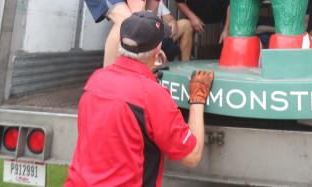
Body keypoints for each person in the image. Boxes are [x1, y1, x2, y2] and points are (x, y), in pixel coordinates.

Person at [65, 11, 215, 186]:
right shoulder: (152, 95)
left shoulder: (96, 80)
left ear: (121, 42)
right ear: (158, 50)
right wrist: (198, 97)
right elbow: (191, 156)